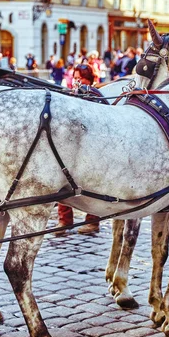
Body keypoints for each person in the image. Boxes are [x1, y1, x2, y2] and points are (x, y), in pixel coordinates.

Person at [55, 63, 100, 236]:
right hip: (70, 147)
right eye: (74, 78)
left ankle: (92, 222)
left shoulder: (96, 96)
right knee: (62, 185)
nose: (76, 82)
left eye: (79, 79)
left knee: (93, 187)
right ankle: (64, 222)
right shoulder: (70, 95)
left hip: (90, 149)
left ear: (89, 80)